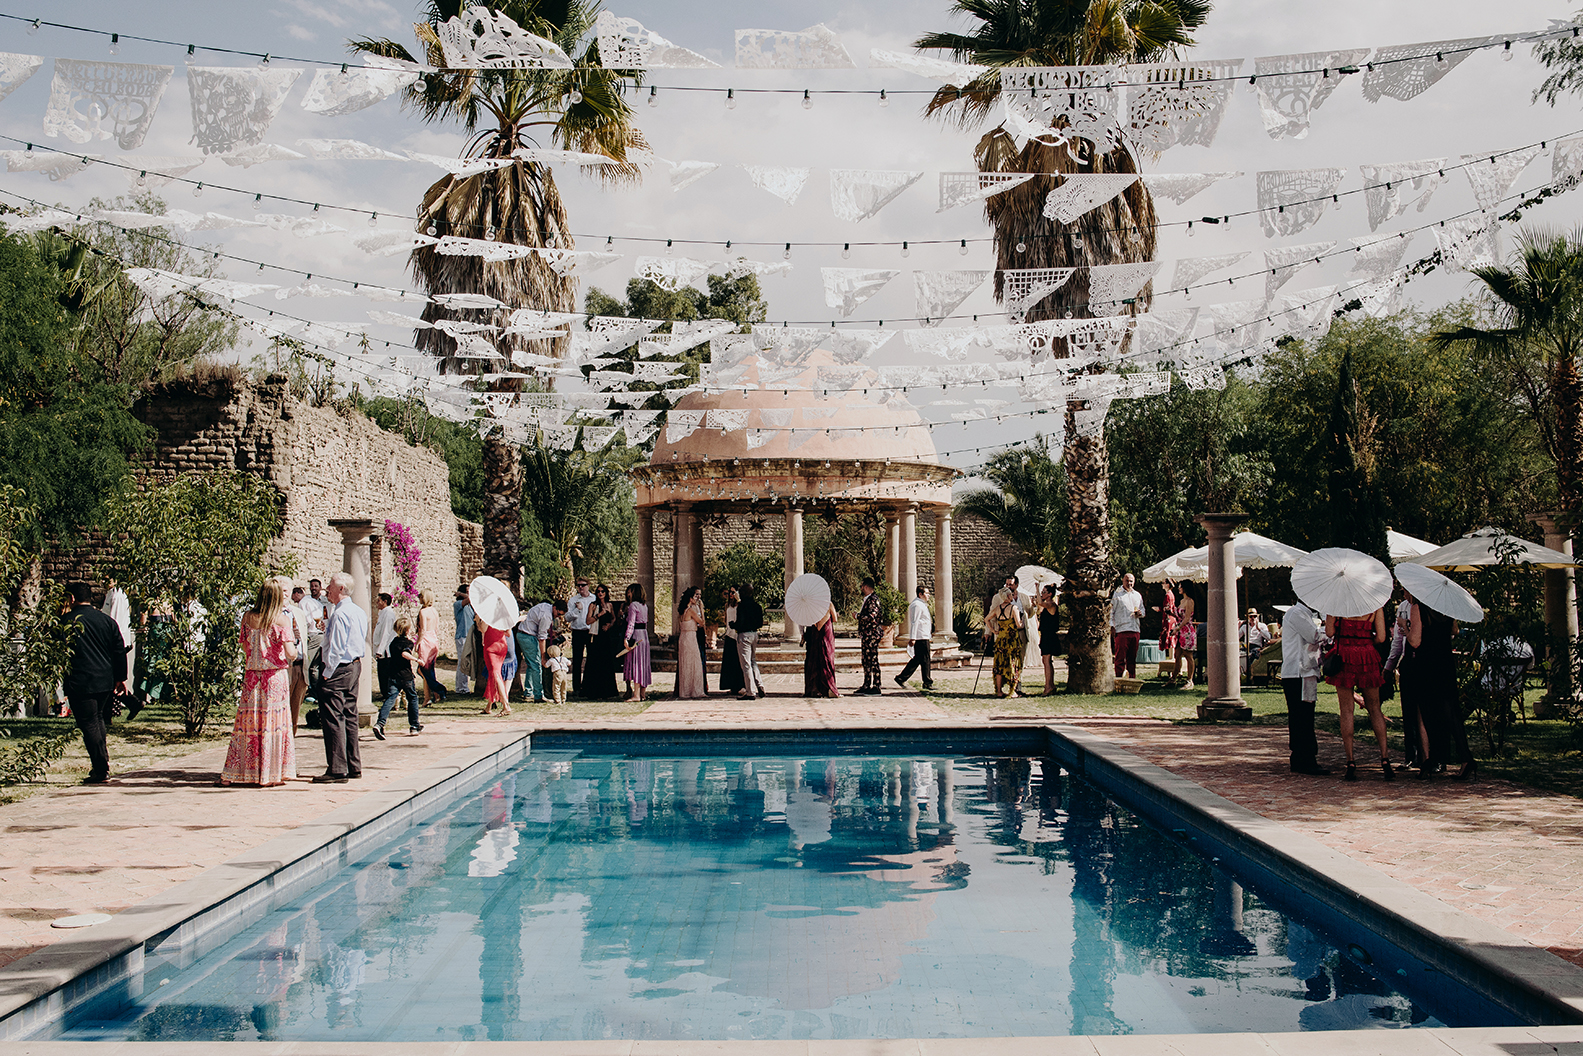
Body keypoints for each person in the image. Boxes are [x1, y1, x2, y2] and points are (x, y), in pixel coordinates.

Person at [61, 582, 129, 784]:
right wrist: (120, 678)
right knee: (98, 719)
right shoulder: (106, 621)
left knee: (89, 723)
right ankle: (102, 763)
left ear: (71, 599)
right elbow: (119, 650)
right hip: (105, 680)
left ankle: (100, 768)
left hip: (81, 681)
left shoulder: (66, 621)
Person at [1408, 599, 1475, 780]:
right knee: (1451, 712)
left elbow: (1415, 641)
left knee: (1427, 712)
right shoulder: (1446, 606)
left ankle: (1430, 759)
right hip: (1445, 662)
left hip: (1427, 663)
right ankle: (1465, 758)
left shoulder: (1418, 608)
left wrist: (1405, 628)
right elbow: (1454, 630)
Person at [1325, 606, 1392, 782]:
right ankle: (1385, 758)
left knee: (1346, 710)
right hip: (1367, 654)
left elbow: (1330, 632)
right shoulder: (1374, 605)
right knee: (1375, 709)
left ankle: (1351, 760)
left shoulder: (1337, 602)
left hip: (1344, 655)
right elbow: (1382, 637)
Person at [315, 571, 369, 784]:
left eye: (330, 586)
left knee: (333, 718)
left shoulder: (340, 614)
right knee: (349, 715)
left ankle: (337, 768)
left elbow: (336, 649)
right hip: (354, 666)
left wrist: (327, 674)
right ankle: (353, 764)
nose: (327, 589)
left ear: (340, 589)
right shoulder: (357, 611)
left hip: (339, 668)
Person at [1281, 600, 1328, 776]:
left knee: (1305, 714)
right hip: (1297, 673)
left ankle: (1304, 755)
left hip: (1306, 672)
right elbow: (1314, 636)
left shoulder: (1305, 615)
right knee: (1301, 715)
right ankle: (1304, 756)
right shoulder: (1297, 613)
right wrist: (1327, 626)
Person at [374, 617, 422, 739]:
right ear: (407, 630)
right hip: (405, 676)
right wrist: (416, 659)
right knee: (412, 698)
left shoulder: (393, 643)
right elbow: (404, 653)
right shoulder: (408, 644)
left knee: (390, 699)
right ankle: (414, 725)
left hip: (393, 675)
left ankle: (380, 723)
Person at [278, 575, 311, 733]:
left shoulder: (298, 613)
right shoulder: (273, 615)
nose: (284, 594)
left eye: (286, 591)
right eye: (281, 590)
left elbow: (305, 638)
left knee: (296, 705)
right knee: (281, 706)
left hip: (300, 664)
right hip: (283, 666)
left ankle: (293, 735)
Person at [516, 597, 564, 704]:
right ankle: (538, 695)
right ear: (554, 608)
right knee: (537, 665)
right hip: (528, 636)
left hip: (523, 634)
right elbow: (541, 638)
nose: (558, 616)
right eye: (558, 613)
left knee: (531, 664)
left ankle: (529, 691)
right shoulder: (547, 616)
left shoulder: (546, 607)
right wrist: (543, 656)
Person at [990, 576, 1026, 698]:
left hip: (1001, 638)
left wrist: (993, 630)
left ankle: (999, 690)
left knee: (1000, 664)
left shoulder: (998, 608)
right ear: (1008, 596)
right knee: (1012, 663)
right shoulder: (1013, 608)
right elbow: (1019, 625)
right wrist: (1023, 621)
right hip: (1012, 639)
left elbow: (986, 619)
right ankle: (1013, 690)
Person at [895, 584, 935, 690]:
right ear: (920, 594)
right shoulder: (917, 605)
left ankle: (901, 678)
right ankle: (927, 681)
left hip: (924, 635)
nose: (929, 596)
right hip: (920, 636)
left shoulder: (921, 604)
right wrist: (913, 637)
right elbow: (914, 622)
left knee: (918, 659)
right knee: (925, 658)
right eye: (927, 593)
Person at [584, 584, 620, 699]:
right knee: (594, 662)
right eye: (598, 591)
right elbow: (588, 621)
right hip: (595, 636)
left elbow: (614, 618)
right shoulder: (593, 605)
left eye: (602, 591)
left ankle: (607, 690)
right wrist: (599, 615)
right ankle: (593, 690)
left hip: (606, 636)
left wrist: (610, 625)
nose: (600, 593)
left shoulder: (609, 605)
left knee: (606, 662)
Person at [733, 581, 766, 699]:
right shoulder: (757, 606)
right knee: (753, 661)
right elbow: (760, 623)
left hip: (744, 635)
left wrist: (733, 625)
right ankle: (760, 684)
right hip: (754, 634)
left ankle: (750, 691)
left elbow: (740, 623)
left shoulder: (741, 606)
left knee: (746, 664)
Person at [414, 589, 446, 705]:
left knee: (422, 669)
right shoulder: (434, 611)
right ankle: (431, 696)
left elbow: (423, 630)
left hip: (426, 640)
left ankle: (439, 689)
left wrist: (418, 642)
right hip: (433, 639)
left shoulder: (423, 612)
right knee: (429, 670)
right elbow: (436, 628)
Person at [1109, 572, 1144, 679]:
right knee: (1120, 657)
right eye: (1127, 581)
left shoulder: (1137, 595)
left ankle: (1132, 679)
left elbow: (1143, 610)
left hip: (1134, 629)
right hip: (1122, 630)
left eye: (1131, 581)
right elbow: (1111, 611)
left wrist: (1140, 613)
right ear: (1123, 581)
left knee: (1132, 658)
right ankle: (1119, 678)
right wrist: (1112, 626)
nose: (1129, 583)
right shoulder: (1117, 594)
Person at [803, 600, 840, 698]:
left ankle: (814, 688)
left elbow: (808, 621)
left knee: (814, 660)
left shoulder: (811, 605)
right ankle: (829, 688)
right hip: (827, 634)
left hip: (815, 634)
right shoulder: (828, 603)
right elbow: (835, 619)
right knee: (827, 660)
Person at [675, 587, 707, 699]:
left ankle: (685, 690)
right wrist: (702, 610)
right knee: (695, 663)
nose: (696, 598)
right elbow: (701, 623)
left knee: (685, 663)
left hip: (683, 637)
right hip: (691, 638)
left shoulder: (682, 611)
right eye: (695, 596)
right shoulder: (691, 611)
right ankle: (695, 690)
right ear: (690, 598)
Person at [479, 610, 512, 716]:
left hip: (491, 647)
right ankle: (489, 705)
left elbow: (482, 629)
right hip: (502, 645)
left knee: (496, 675)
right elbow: (508, 633)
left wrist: (478, 620)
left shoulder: (487, 615)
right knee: (493, 674)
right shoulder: (503, 615)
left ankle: (506, 705)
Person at [566, 578, 595, 696]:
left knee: (591, 658)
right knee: (577, 660)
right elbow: (567, 617)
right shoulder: (573, 600)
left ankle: (589, 685)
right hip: (577, 631)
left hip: (589, 631)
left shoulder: (593, 599)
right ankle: (576, 687)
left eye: (583, 585)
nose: (581, 588)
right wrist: (577, 610)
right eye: (579, 586)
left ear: (588, 586)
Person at [623, 583, 652, 702]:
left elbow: (631, 623)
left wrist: (627, 637)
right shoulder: (644, 606)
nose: (628, 594)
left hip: (636, 634)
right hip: (644, 634)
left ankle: (636, 695)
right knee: (643, 662)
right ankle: (643, 693)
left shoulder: (633, 605)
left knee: (636, 663)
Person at [856, 577, 884, 695]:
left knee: (872, 659)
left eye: (862, 586)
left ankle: (876, 685)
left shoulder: (873, 600)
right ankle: (866, 684)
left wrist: (858, 616)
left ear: (866, 587)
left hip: (872, 635)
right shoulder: (868, 599)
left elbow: (872, 617)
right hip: (867, 635)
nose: (861, 588)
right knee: (866, 660)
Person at [718, 587, 744, 695]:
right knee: (730, 662)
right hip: (729, 634)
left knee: (738, 662)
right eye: (729, 593)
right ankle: (732, 685)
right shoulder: (727, 605)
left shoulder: (740, 605)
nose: (731, 594)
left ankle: (740, 685)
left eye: (733, 592)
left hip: (737, 635)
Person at [371, 592, 396, 698]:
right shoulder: (383, 613)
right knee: (381, 673)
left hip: (385, 650)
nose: (377, 603)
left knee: (385, 673)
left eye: (379, 601)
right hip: (381, 649)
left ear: (385, 602)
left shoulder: (388, 613)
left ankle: (387, 693)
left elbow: (386, 633)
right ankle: (384, 692)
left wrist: (380, 650)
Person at [1036, 584, 1060, 695]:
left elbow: (1040, 603)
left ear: (1050, 594)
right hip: (1046, 635)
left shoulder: (1051, 604)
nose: (1042, 594)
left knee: (1047, 660)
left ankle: (1048, 686)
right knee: (1046, 661)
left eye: (1044, 592)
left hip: (1049, 635)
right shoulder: (1047, 605)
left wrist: (1036, 587)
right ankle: (1050, 684)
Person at [1155, 579, 1179, 680]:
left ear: (1168, 584)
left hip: (1169, 620)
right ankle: (1172, 664)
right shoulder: (1171, 594)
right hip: (1170, 619)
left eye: (1163, 583)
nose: (1162, 585)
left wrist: (1159, 609)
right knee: (1170, 641)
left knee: (1170, 641)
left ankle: (1172, 664)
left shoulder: (1168, 595)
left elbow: (1168, 608)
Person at [452, 585, 474, 694]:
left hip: (469, 635)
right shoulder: (458, 605)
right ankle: (460, 688)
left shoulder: (471, 606)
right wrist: (460, 594)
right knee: (462, 661)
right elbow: (470, 598)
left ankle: (464, 686)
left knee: (468, 662)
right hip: (462, 636)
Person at [1175, 591, 1198, 689]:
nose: (1179, 588)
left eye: (1180, 586)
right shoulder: (1181, 600)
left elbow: (1187, 618)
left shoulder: (1190, 601)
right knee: (1177, 654)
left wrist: (1177, 628)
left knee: (1188, 655)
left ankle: (1190, 680)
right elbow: (1179, 616)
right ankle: (1173, 678)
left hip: (1187, 631)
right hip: (1180, 631)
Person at [1239, 608, 1271, 678]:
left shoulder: (1262, 626)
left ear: (1257, 617)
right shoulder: (1244, 627)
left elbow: (1269, 637)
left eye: (1254, 616)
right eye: (1251, 616)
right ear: (1248, 617)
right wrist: (1238, 627)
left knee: (1253, 654)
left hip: (1256, 646)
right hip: (1246, 647)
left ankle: (1248, 674)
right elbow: (1236, 637)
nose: (1252, 618)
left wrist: (1259, 629)